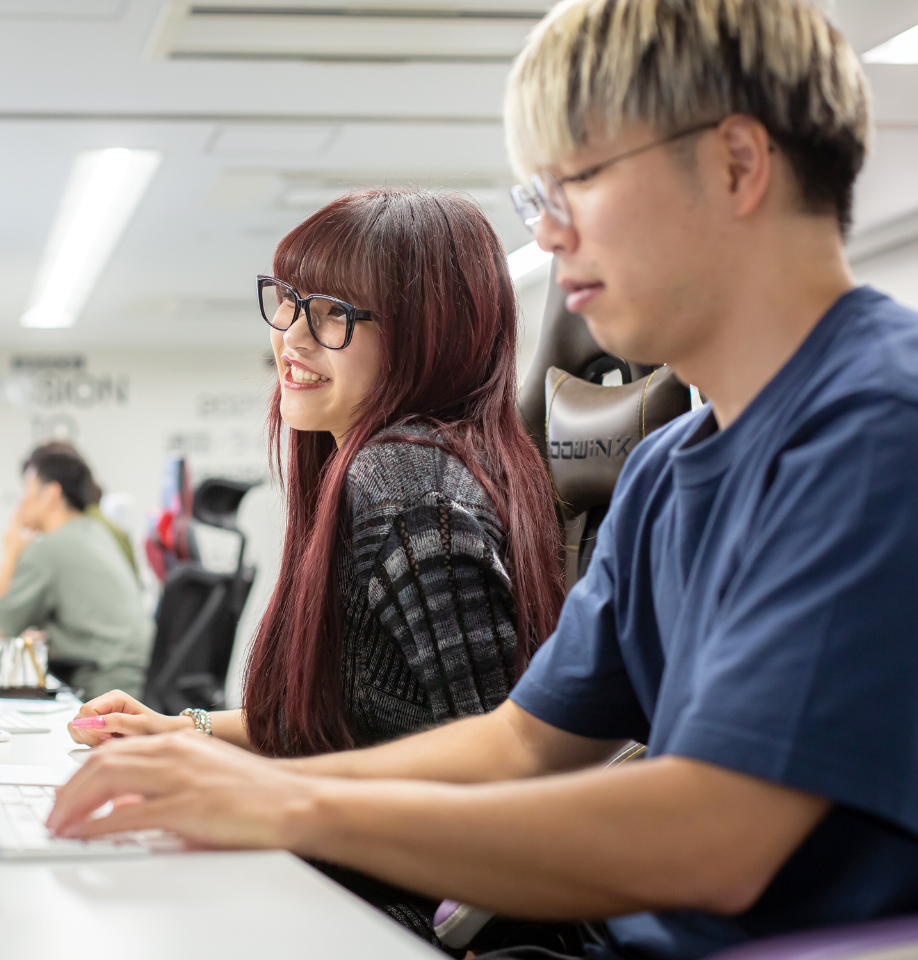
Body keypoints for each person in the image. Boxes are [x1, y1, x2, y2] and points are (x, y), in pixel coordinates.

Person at [45, 2, 918, 959]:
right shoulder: (671, 470)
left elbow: (720, 840)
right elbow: (520, 744)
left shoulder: (877, 430)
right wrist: (218, 767)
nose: (545, 235)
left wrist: (286, 801)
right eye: (535, 196)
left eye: (573, 183)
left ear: (737, 166)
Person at [67, 188, 566, 942]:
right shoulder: (375, 471)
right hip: (351, 886)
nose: (293, 338)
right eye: (290, 301)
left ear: (426, 334)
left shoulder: (406, 486)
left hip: (400, 919)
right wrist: (183, 730)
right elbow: (340, 731)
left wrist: (254, 794)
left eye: (334, 313)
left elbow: (501, 776)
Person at [0, 443, 151, 699]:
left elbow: (1, 625)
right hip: (135, 676)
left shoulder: (49, 548)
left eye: (27, 489)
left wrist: (10, 549)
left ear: (52, 494)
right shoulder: (96, 532)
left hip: (104, 684)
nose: (21, 502)